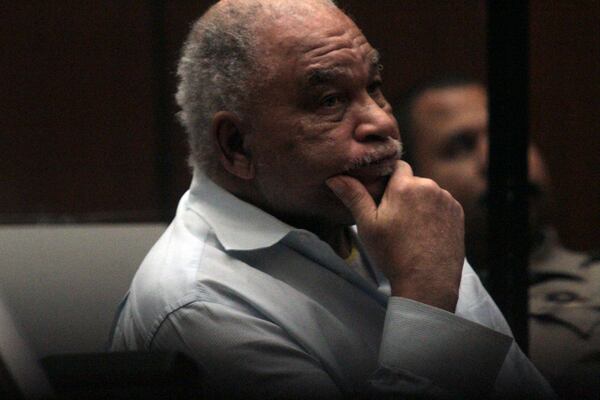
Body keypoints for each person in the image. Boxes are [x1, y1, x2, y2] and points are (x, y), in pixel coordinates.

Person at [110, 2, 554, 398]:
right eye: (329, 100)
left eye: (374, 86)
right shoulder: (197, 303)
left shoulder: (393, 214)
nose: (381, 121)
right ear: (237, 147)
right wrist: (425, 299)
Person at [395, 76, 600, 399]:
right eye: (460, 147)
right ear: (411, 179)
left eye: (508, 136)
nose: (499, 159)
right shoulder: (395, 310)